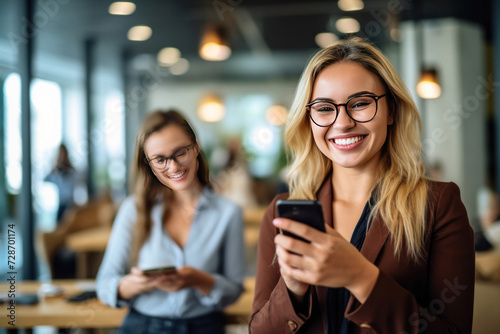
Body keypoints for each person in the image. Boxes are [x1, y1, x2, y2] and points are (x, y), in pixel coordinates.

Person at [249, 38, 475, 333]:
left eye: (360, 103)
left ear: (391, 111)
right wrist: (292, 289)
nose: (342, 123)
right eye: (324, 108)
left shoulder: (438, 204)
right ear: (309, 119)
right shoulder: (284, 214)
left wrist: (361, 277)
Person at [96, 110, 245, 334]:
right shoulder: (133, 209)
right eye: (160, 159)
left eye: (180, 153)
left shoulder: (228, 213)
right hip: (142, 326)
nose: (173, 167)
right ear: (149, 164)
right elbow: (104, 284)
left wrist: (198, 280)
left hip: (204, 327)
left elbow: (233, 290)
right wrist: (131, 285)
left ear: (195, 147)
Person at [44, 143, 79, 222]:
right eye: (60, 154)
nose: (62, 156)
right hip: (61, 206)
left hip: (71, 206)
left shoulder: (72, 171)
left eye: (63, 154)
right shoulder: (55, 172)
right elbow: (45, 179)